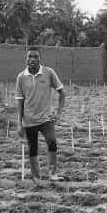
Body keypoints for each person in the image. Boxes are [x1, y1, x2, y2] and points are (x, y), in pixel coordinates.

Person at [15, 47, 66, 181]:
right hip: (29, 120)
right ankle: (37, 177)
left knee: (52, 142)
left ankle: (52, 174)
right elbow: (20, 101)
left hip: (46, 119)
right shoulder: (21, 77)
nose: (32, 59)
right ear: (26, 59)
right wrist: (19, 123)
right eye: (30, 56)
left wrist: (58, 113)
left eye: (35, 56)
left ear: (40, 59)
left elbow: (62, 92)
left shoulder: (48, 73)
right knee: (33, 148)